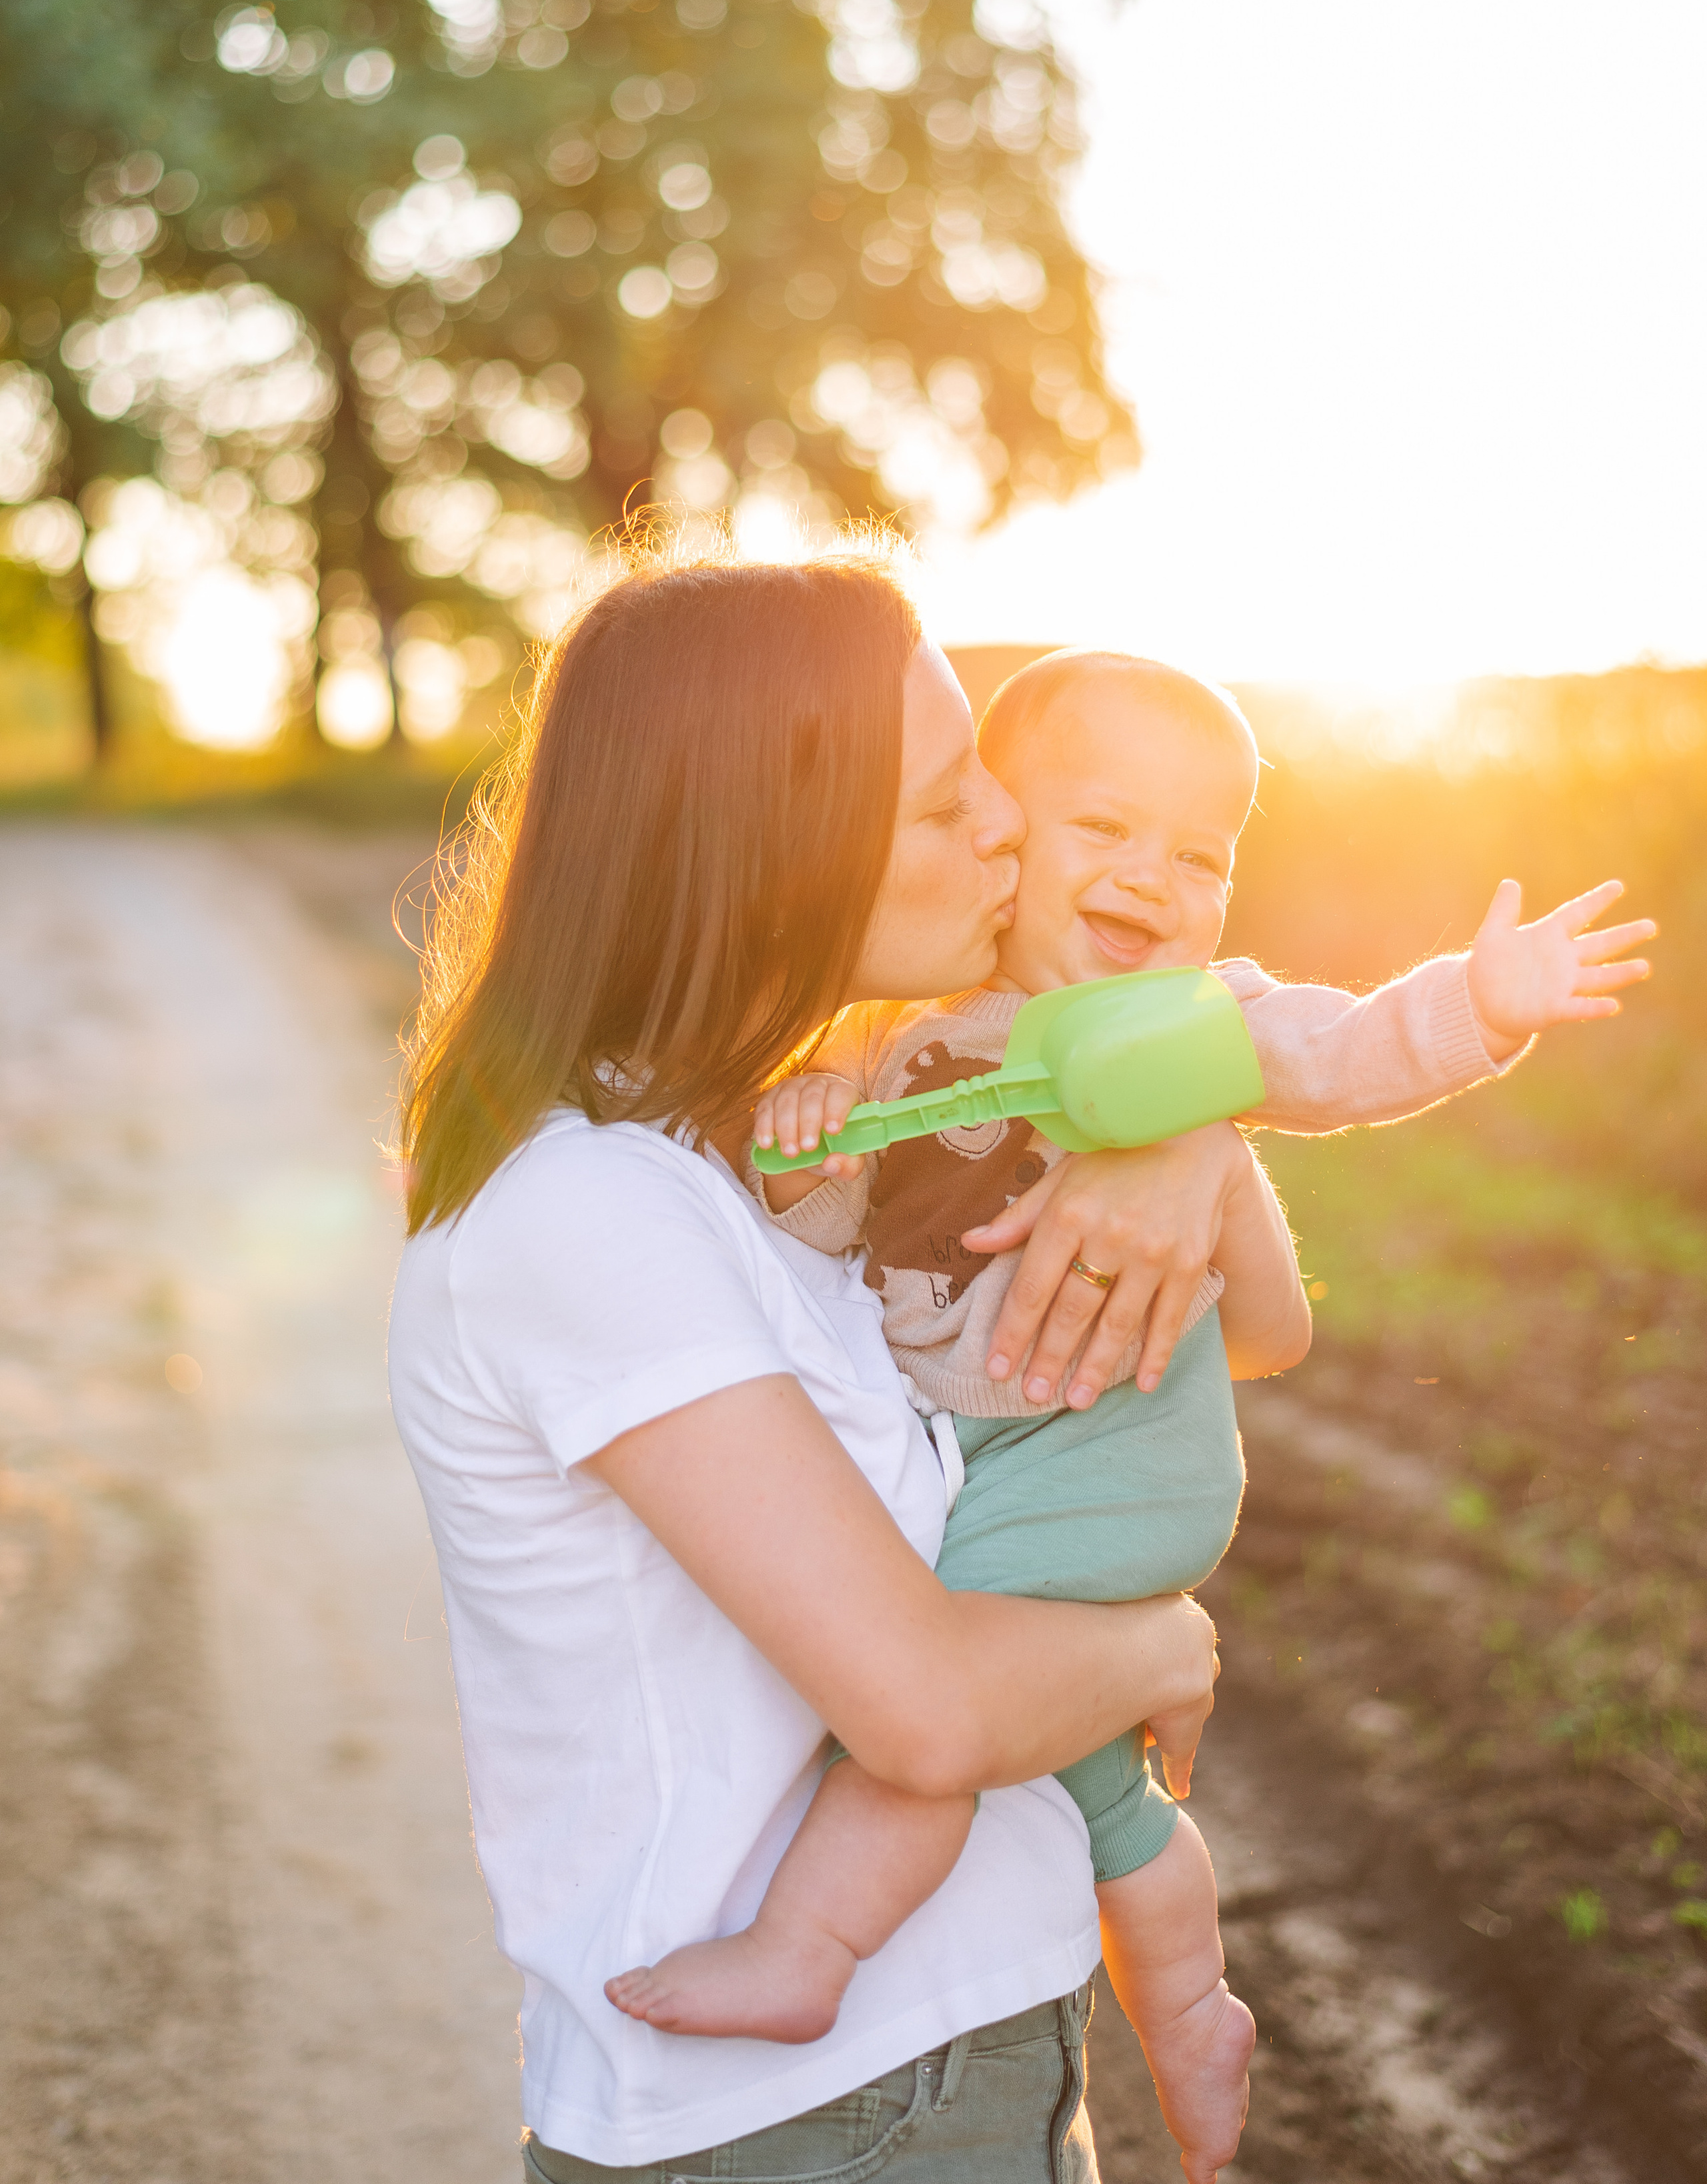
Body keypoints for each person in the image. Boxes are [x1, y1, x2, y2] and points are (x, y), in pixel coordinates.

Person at [606, 647, 1654, 2184]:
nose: (1151, 878)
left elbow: (1344, 1048)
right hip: (1013, 1444)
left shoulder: (1192, 1024)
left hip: (1109, 1455)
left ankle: (807, 1944)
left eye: (1199, 853)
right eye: (1102, 831)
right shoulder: (911, 1046)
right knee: (1093, 1773)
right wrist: (801, 1136)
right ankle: (1191, 2015)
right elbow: (822, 1248)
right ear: (1001, 837)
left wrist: (1477, 1007)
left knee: (923, 1689)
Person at [389, 551, 1304, 2184]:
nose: (1009, 832)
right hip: (834, 2121)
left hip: (939, 2062)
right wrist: (1161, 1640)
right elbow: (928, 1710)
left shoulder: (766, 1149)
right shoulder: (588, 1210)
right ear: (772, 854)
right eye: (953, 803)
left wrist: (1185, 1142)